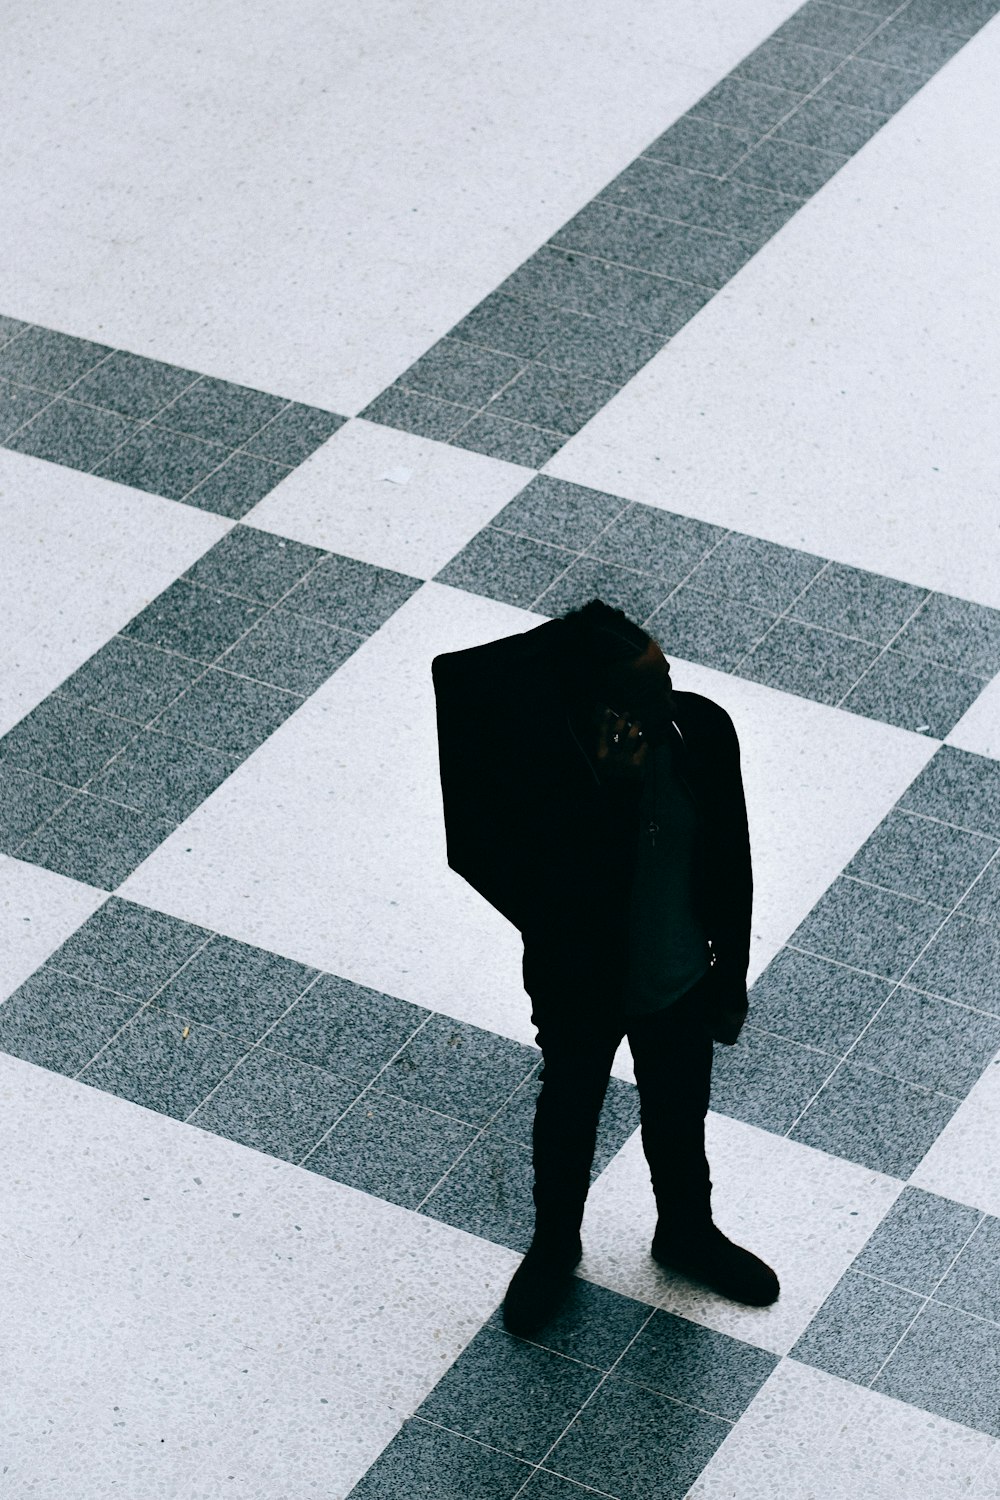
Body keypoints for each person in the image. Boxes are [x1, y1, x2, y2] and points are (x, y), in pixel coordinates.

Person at [500, 598, 780, 1336]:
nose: (667, 696)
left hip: (680, 971)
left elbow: (731, 861)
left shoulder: (702, 730)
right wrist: (612, 794)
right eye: (646, 688)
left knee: (679, 1115)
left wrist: (730, 975)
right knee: (569, 1113)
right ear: (598, 702)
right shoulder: (548, 762)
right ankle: (554, 1248)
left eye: (665, 675)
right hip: (583, 985)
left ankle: (686, 1232)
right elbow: (553, 889)